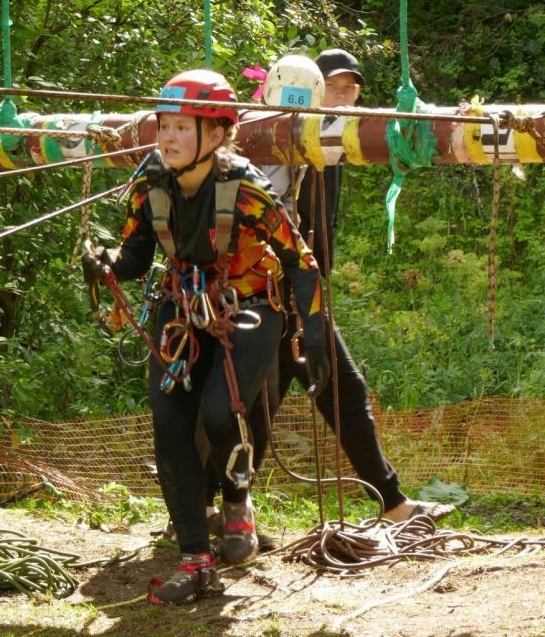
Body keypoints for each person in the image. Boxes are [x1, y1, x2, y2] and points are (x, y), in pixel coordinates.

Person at [82, 69, 328, 605]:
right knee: (170, 428)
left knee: (220, 415)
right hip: (181, 307)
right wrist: (106, 264)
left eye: (181, 127)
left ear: (216, 134)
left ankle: (237, 499)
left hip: (250, 307)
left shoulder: (247, 188)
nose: (167, 138)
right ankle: (195, 559)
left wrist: (314, 332)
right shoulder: (149, 183)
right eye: (163, 125)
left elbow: (299, 258)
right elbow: (136, 255)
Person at [202, 49, 454, 532]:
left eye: (349, 89)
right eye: (333, 87)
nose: (342, 96)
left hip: (299, 295)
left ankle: (390, 501)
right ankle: (205, 509)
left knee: (329, 395)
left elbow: (319, 229)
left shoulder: (332, 145)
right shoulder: (252, 138)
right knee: (255, 409)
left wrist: (314, 298)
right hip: (257, 295)